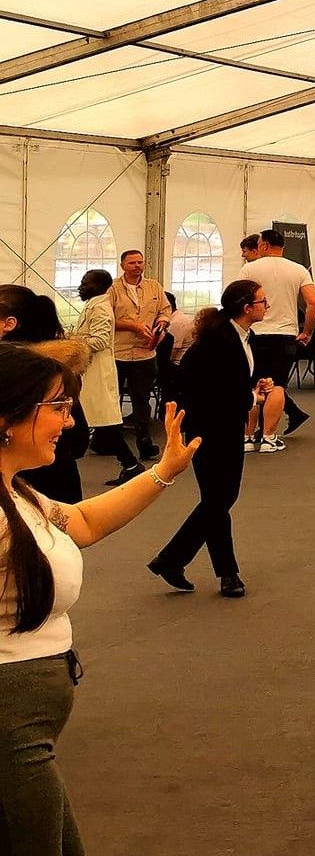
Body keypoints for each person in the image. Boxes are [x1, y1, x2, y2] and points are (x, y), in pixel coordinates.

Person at [0, 341, 197, 856]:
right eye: (57, 407)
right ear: (6, 418)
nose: (70, 421)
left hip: (27, 724)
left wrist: (163, 471)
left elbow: (83, 522)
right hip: (9, 723)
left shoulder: (19, 493)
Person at [150, 279, 267, 598]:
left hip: (225, 427)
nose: (266, 306)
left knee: (220, 499)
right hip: (208, 428)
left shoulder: (244, 337)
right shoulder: (218, 341)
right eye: (262, 302)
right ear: (246, 307)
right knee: (219, 500)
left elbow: (234, 380)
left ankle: (173, 559)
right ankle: (226, 573)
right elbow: (209, 386)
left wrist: (253, 388)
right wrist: (250, 398)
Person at [0, 288, 86, 504]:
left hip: (34, 483)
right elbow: (79, 439)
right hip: (55, 479)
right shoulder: (56, 369)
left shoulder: (24, 375)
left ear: (8, 324)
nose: (68, 420)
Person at [235, 228, 315, 439]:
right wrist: (307, 331)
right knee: (277, 385)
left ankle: (248, 436)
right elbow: (314, 303)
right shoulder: (299, 270)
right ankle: (269, 437)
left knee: (253, 385)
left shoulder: (249, 270)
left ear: (263, 245)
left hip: (254, 334)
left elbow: (236, 301)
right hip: (284, 335)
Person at [70, 271, 143, 484]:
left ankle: (130, 463)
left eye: (86, 282)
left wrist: (74, 344)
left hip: (97, 373)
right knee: (102, 423)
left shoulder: (100, 308)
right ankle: (130, 464)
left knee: (102, 422)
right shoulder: (94, 305)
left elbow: (100, 341)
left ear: (99, 285)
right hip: (91, 372)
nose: (81, 286)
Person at [108, 249, 171, 462]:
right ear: (122, 265)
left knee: (141, 399)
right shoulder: (112, 289)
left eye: (140, 262)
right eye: (133, 262)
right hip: (119, 352)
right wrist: (132, 325)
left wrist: (162, 323)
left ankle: (144, 442)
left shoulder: (154, 286)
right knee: (112, 399)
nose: (137, 266)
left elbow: (165, 309)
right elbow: (106, 319)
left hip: (146, 353)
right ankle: (108, 440)